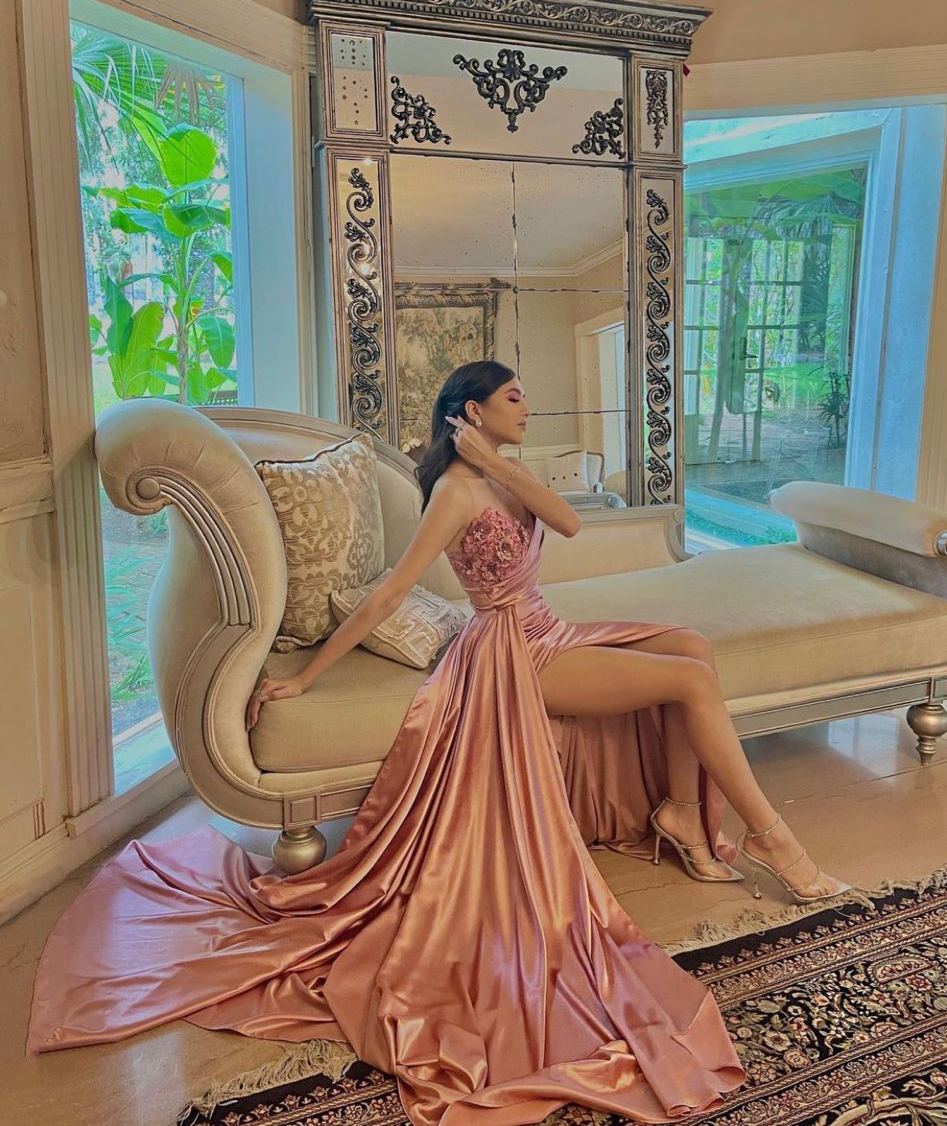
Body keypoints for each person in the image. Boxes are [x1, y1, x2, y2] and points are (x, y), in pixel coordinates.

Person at [27, 360, 851, 1126]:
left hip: (547, 625)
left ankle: (676, 810)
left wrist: (501, 466)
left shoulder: (495, 474)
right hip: (513, 652)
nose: (527, 408)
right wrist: (304, 677)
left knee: (691, 649)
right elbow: (391, 592)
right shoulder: (455, 492)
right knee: (691, 684)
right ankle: (771, 839)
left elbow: (566, 522)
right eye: (513, 398)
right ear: (472, 412)